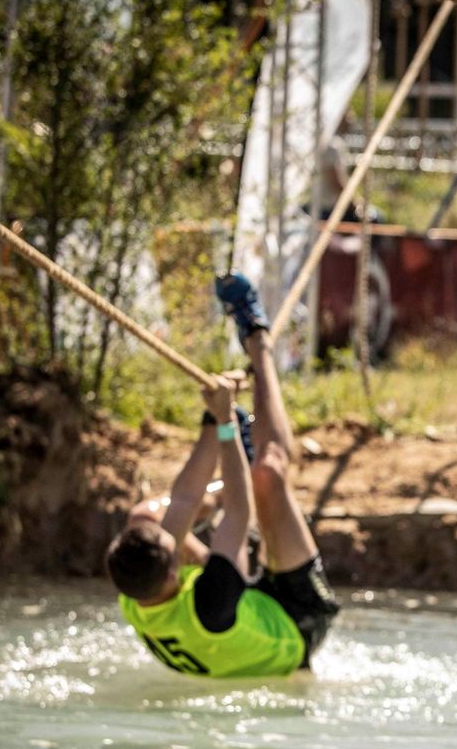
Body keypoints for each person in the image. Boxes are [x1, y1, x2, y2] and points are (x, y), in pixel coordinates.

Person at [105, 272, 340, 677]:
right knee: (266, 474)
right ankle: (259, 341)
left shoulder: (135, 590)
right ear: (177, 568)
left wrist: (211, 423)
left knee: (146, 517)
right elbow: (238, 508)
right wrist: (228, 421)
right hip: (295, 621)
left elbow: (182, 499)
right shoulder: (208, 603)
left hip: (237, 606)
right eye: (174, 543)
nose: (176, 535)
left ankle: (239, 442)